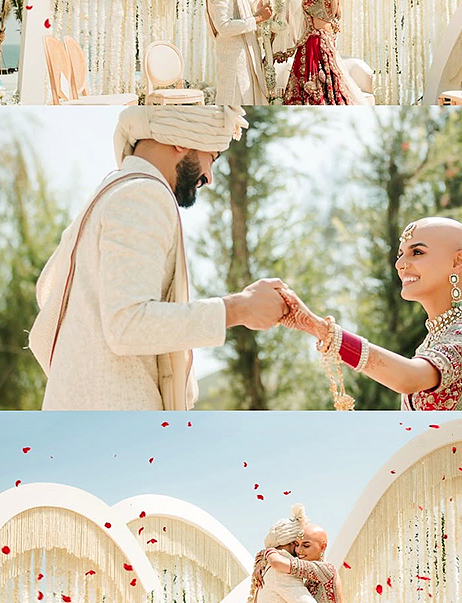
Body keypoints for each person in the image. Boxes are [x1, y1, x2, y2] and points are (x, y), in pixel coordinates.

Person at [29, 104, 289, 411]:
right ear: (182, 139)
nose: (209, 176)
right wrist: (239, 309)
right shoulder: (142, 193)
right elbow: (127, 324)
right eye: (212, 157)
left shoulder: (111, 192)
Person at [280, 216, 462, 410]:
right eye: (400, 254)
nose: (400, 264)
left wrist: (320, 329)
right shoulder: (428, 347)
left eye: (417, 252)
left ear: (457, 262)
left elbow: (409, 378)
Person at [203, 0, 270, 106]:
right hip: (235, 66)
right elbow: (224, 26)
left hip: (244, 61)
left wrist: (258, 13)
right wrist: (258, 18)